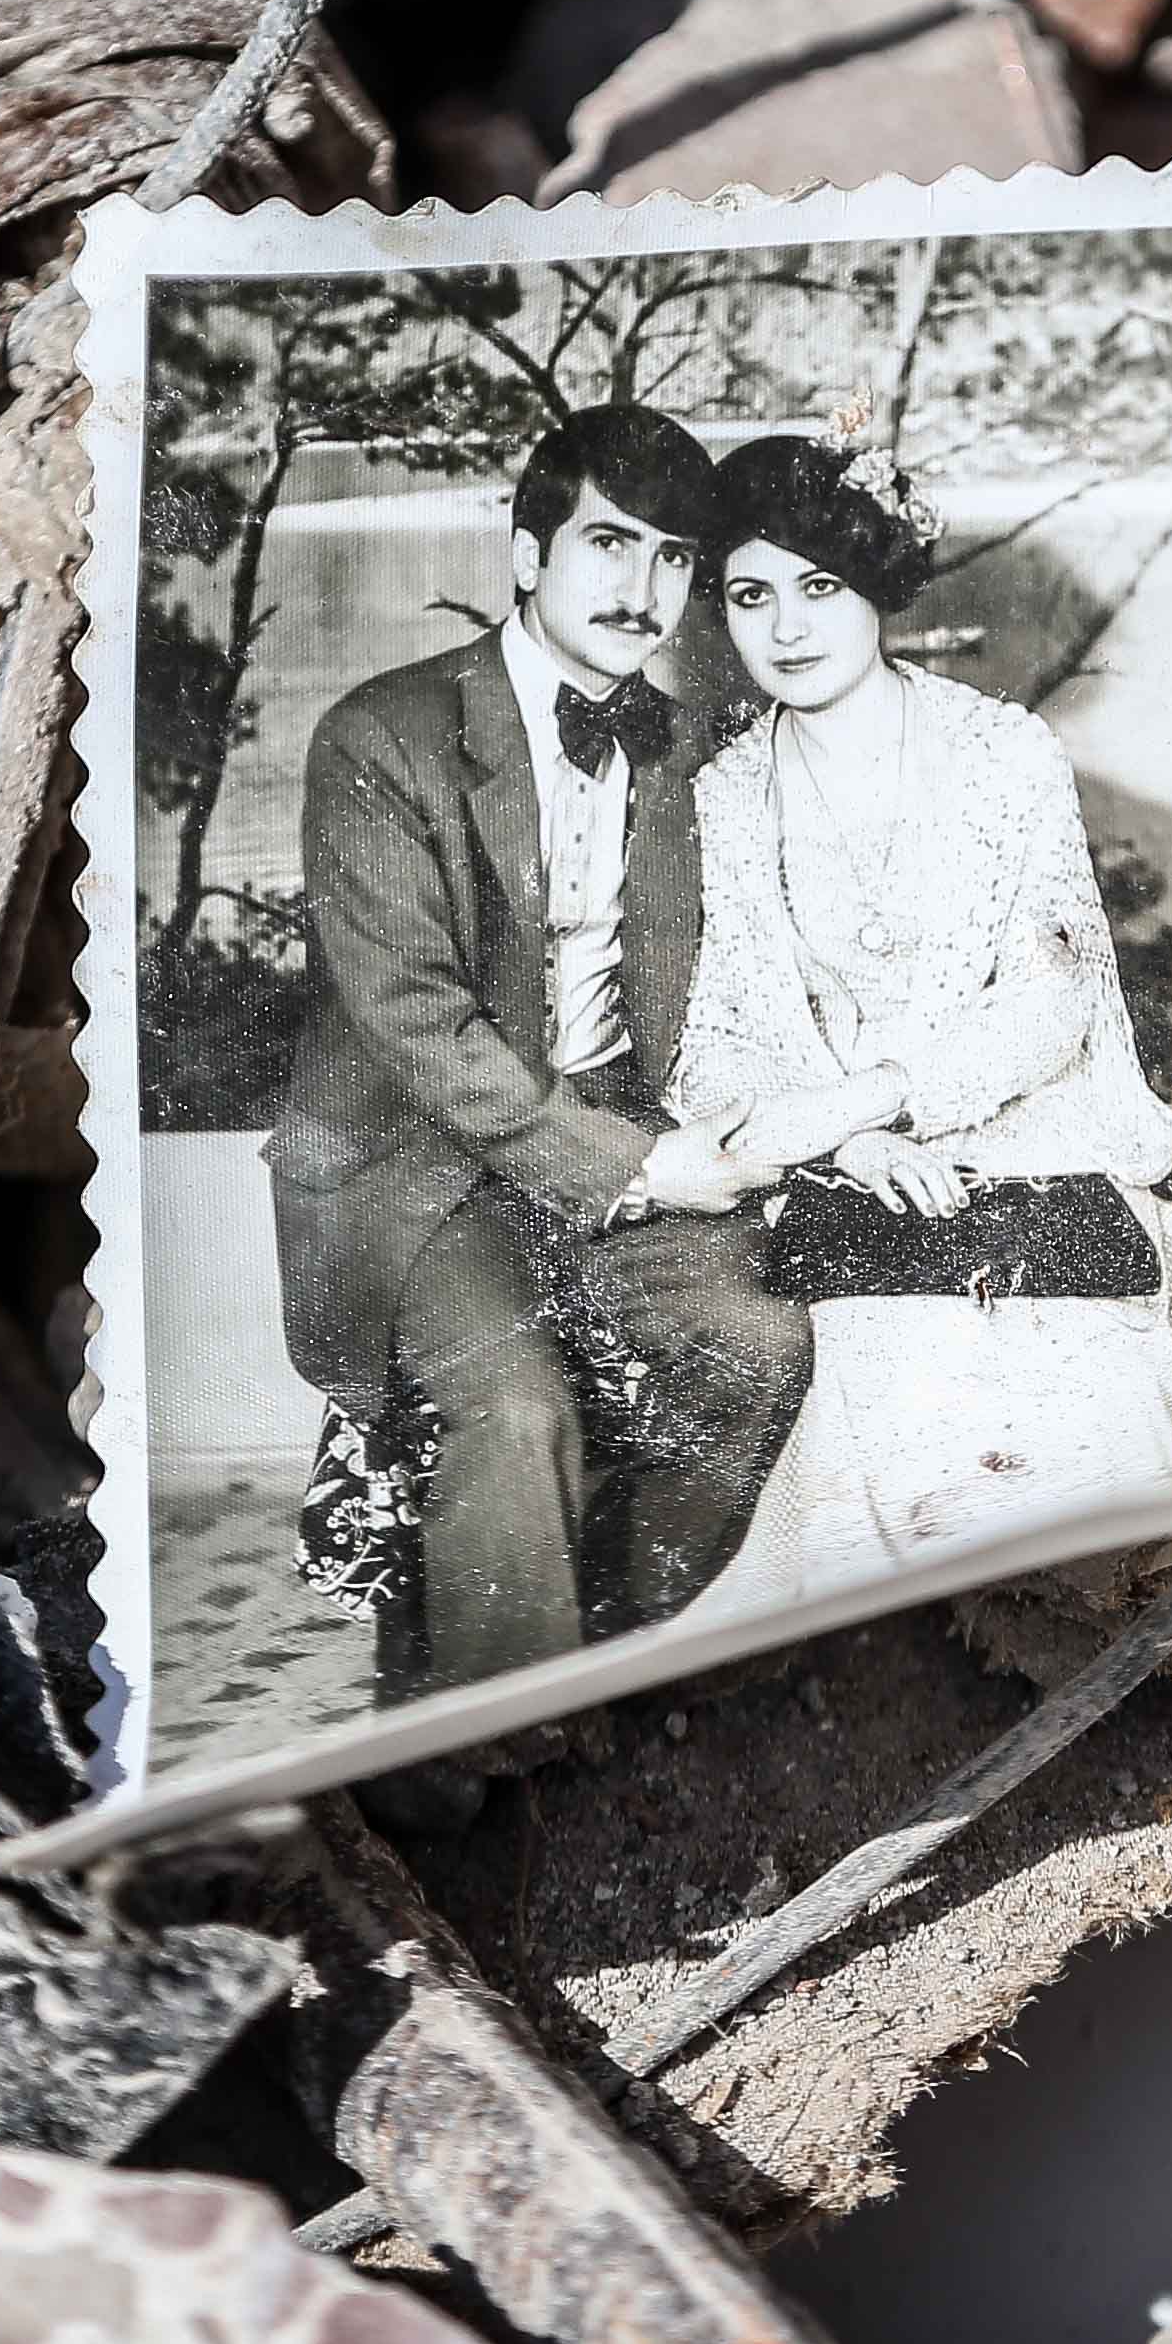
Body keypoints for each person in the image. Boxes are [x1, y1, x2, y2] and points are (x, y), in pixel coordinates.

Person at [667, 427, 1172, 1613]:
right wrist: (849, 1144)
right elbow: (719, 1032)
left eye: (819, 586)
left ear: (875, 584)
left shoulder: (1000, 755)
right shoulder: (727, 792)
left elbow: (1050, 995)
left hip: (1029, 1136)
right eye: (751, 595)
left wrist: (885, 1103)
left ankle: (1116, 1626)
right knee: (904, 1388)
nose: (787, 628)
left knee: (1090, 1385)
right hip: (846, 1177)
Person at [264, 401, 815, 1705]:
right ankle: (488, 1755)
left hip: (623, 1132)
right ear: (527, 555)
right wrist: (641, 1169)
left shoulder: (692, 752)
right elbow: (415, 1020)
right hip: (415, 1165)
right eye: (608, 544)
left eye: (672, 558)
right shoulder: (381, 735)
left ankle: (595, 1657)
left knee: (762, 1353)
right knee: (517, 1410)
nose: (642, 589)